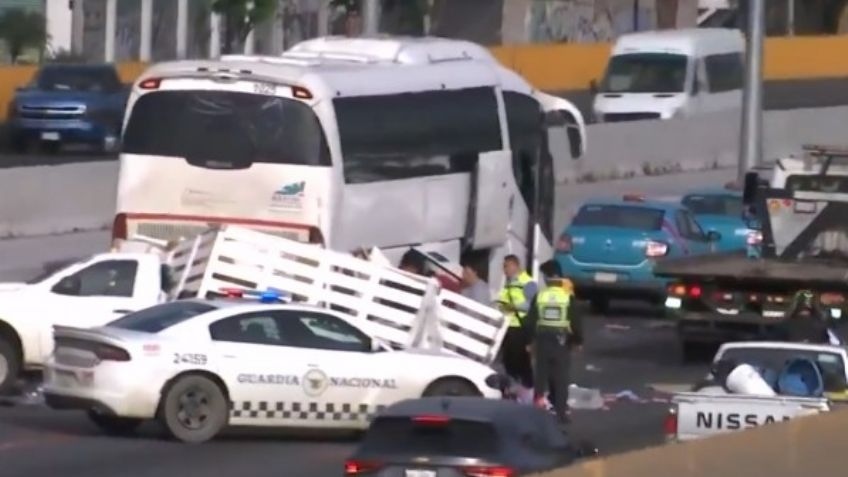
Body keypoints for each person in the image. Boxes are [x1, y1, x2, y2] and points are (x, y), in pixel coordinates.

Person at [524, 259, 583, 427]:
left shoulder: (540, 296)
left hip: (542, 340)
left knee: (541, 376)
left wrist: (529, 341)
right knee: (561, 377)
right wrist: (578, 340)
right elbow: (575, 320)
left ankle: (538, 410)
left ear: (551, 276)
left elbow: (530, 321)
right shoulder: (567, 297)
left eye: (544, 275)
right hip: (561, 342)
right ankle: (561, 413)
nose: (543, 278)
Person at [497, 255, 538, 400]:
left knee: (522, 361)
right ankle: (514, 390)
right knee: (509, 361)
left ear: (515, 265)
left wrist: (513, 306)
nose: (504, 270)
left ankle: (529, 392)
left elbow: (532, 305)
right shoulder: (509, 283)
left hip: (521, 328)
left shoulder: (528, 283)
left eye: (506, 266)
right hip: (508, 326)